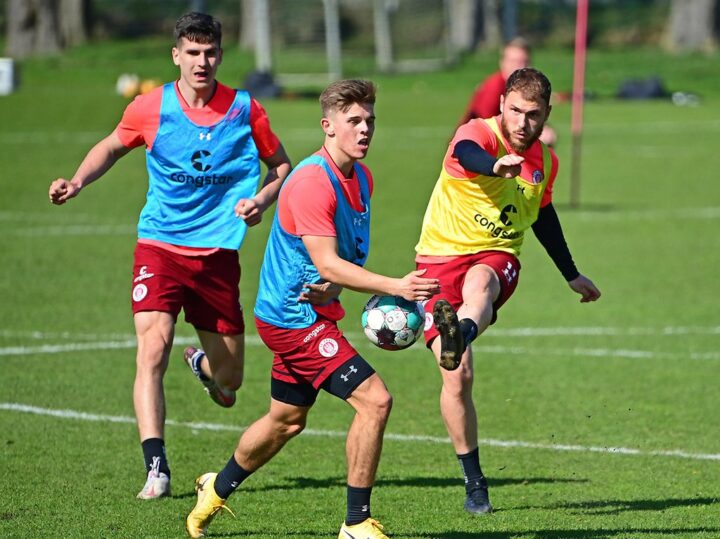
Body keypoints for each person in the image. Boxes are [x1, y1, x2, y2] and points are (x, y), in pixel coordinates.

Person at [48, 12, 292, 500]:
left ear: (220, 55)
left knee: (230, 384)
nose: (202, 62)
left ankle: (205, 365)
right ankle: (156, 467)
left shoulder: (245, 110)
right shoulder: (150, 107)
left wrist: (261, 202)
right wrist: (76, 180)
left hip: (218, 255)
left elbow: (281, 165)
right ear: (176, 55)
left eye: (211, 53)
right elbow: (112, 147)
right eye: (193, 53)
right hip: (159, 247)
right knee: (152, 348)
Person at [185, 79, 440, 539]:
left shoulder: (362, 177)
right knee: (375, 401)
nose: (365, 130)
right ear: (328, 126)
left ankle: (214, 489)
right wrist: (395, 286)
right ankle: (356, 523)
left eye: (370, 122)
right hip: (291, 318)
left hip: (316, 310)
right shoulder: (307, 182)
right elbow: (326, 261)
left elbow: (333, 261)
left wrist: (333, 290)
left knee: (285, 421)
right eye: (353, 122)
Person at [415, 68, 601, 516]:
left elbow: (543, 216)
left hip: (498, 254)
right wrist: (494, 165)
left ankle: (460, 330)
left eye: (533, 115)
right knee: (458, 381)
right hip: (437, 262)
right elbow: (466, 153)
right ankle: (474, 482)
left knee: (482, 282)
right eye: (515, 111)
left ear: (546, 116)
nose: (522, 123)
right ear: (502, 105)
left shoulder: (546, 163)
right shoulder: (477, 133)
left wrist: (571, 273)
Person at [459, 37, 557, 147]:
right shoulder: (494, 87)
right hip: (472, 148)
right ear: (502, 62)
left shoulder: (522, 88)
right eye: (514, 61)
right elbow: (485, 127)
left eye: (524, 61)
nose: (520, 66)